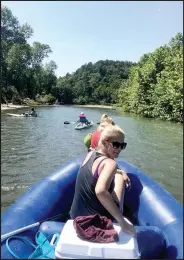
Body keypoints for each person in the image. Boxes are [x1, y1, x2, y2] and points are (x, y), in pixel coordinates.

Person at [70, 124, 135, 236]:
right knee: (118, 178)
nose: (119, 149)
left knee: (118, 174)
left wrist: (120, 171)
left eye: (123, 145)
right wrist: (122, 221)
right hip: (94, 222)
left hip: (75, 216)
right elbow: (100, 191)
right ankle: (119, 213)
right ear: (105, 142)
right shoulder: (110, 164)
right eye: (116, 144)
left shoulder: (89, 154)